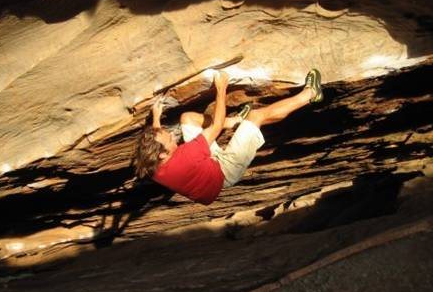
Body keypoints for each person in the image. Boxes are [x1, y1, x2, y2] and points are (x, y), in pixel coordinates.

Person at [133, 69, 323, 204]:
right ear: (162, 155)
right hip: (225, 171)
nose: (173, 136)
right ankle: (311, 94)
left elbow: (157, 142)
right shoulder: (186, 156)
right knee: (256, 116)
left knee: (187, 118)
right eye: (170, 139)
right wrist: (221, 88)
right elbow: (215, 126)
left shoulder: (151, 165)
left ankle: (233, 122)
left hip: (204, 169)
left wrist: (156, 118)